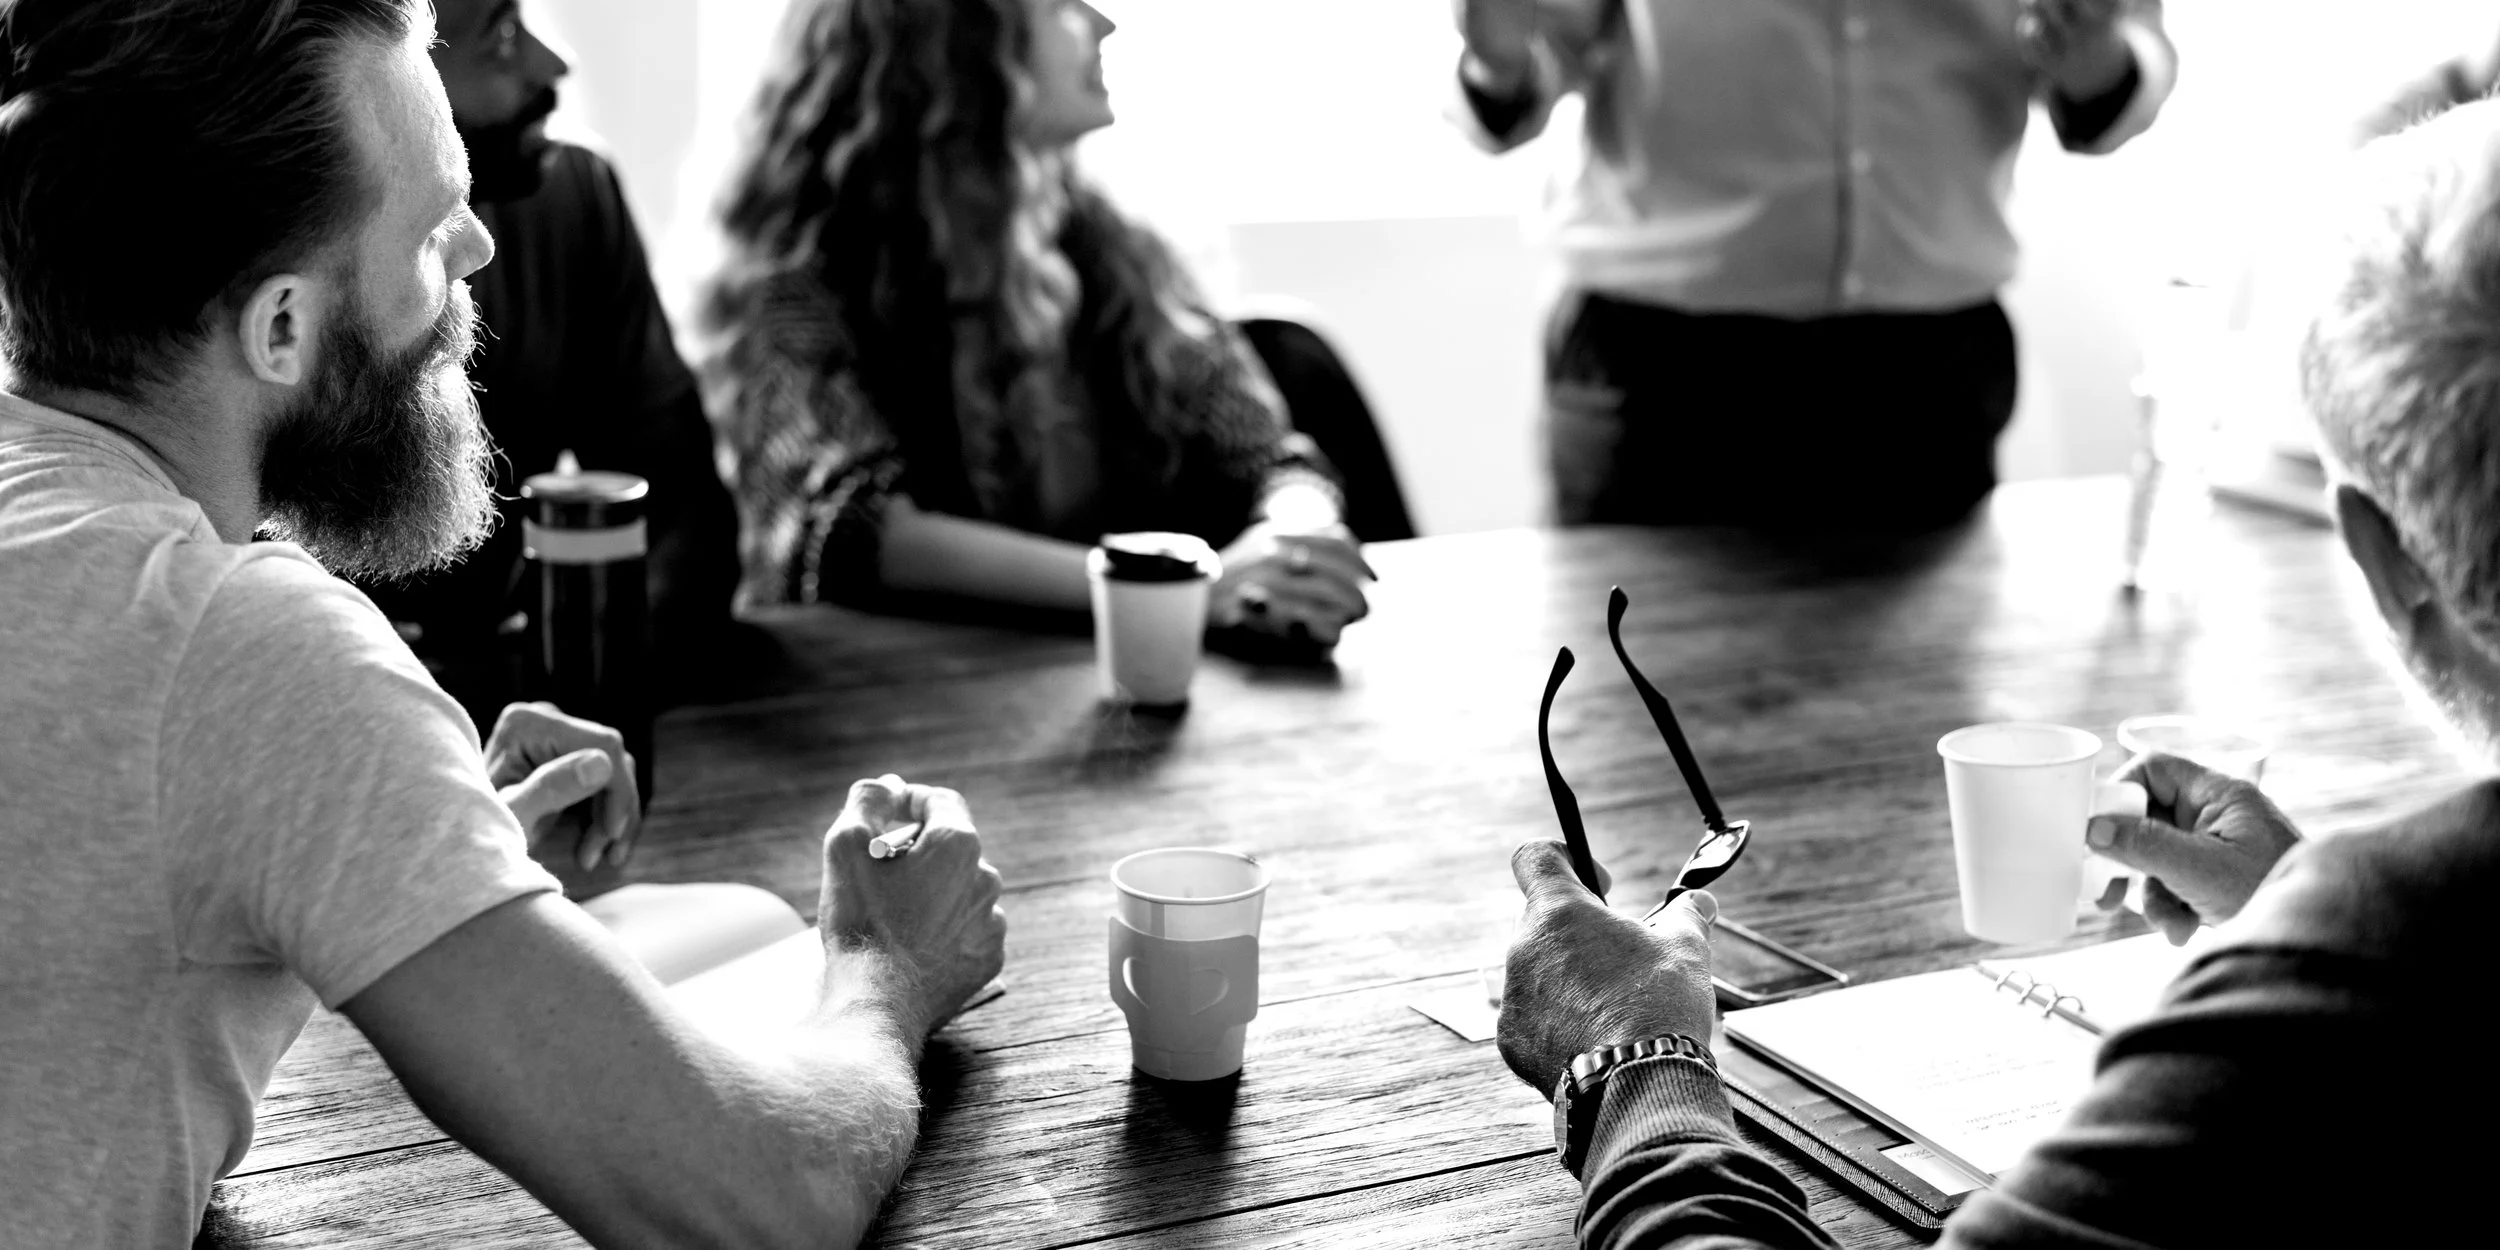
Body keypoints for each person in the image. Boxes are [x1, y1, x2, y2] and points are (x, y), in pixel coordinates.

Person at [0, 3, 1002, 1246]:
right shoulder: (240, 644)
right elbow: (762, 1201)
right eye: (427, 231)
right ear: (279, 328)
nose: (476, 248)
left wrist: (408, 850)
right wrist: (884, 965)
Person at [1491, 98, 2500, 1248]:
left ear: (2386, 559)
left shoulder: (2366, 952)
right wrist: (2301, 921)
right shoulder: (2377, 950)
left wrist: (1637, 1064)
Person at [700, 0, 1373, 649]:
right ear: (950, 42)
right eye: (1059, 4)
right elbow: (847, 532)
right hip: (914, 717)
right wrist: (1169, 590)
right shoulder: (801, 279)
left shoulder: (1117, 251)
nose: (1105, 23)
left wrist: (1296, 539)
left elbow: (1270, 458)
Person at [1450, 0, 2177, 530]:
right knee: (1627, 708)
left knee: (1919, 711)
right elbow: (1529, 57)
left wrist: (2098, 60)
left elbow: (2128, 54)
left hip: (1927, 377)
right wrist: (1499, 60)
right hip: (1659, 376)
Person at [360, 0, 740, 724]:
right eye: (500, 38)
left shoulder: (575, 197)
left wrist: (564, 685)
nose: (553, 64)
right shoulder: (258, 266)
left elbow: (688, 529)